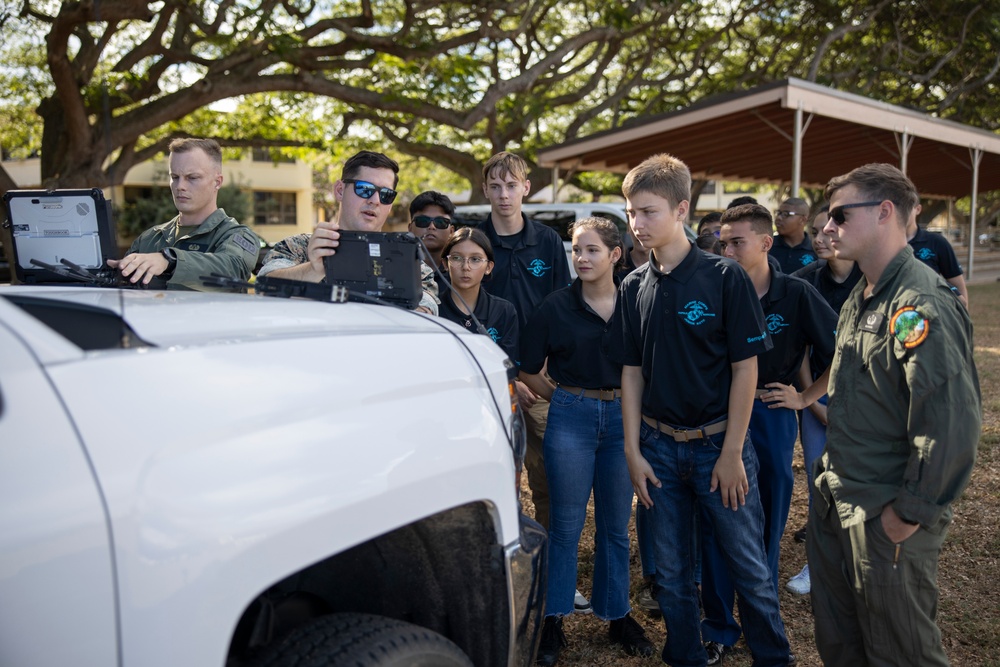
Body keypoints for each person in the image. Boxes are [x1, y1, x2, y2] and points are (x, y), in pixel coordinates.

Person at [611, 153, 792, 667]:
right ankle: (686, 655)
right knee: (671, 574)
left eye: (647, 212)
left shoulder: (723, 277)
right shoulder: (632, 285)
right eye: (630, 213)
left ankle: (773, 659)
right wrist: (632, 450)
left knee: (749, 569)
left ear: (682, 208)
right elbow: (631, 372)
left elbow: (745, 370)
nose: (636, 224)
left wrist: (733, 452)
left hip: (719, 449)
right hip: (657, 449)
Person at [809, 163, 980, 666]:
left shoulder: (918, 303)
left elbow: (950, 422)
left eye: (840, 215)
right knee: (842, 643)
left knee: (901, 649)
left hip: (884, 510)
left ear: (884, 212)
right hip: (841, 499)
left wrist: (909, 513)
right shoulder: (861, 298)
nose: (826, 228)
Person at [701, 204, 837, 663]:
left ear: (766, 242)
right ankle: (719, 626)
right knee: (720, 519)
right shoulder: (713, 287)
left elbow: (844, 349)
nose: (727, 250)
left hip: (771, 411)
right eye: (723, 242)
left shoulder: (795, 293)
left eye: (737, 241)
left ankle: (762, 616)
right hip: (717, 415)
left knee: (768, 521)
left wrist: (805, 397)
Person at [523, 217, 653, 665]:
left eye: (592, 250)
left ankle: (617, 615)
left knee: (616, 526)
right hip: (571, 418)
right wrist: (561, 400)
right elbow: (527, 367)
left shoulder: (637, 302)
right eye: (577, 249)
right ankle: (553, 617)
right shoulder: (555, 306)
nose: (581, 258)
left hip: (624, 419)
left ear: (616, 255)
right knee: (564, 525)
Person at [476, 152, 572, 528]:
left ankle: (550, 557)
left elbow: (562, 308)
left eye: (512, 185)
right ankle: (503, 555)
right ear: (485, 189)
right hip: (490, 379)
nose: (504, 194)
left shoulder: (547, 241)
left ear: (526, 189)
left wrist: (541, 368)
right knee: (496, 474)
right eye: (496, 186)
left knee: (548, 475)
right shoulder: (474, 244)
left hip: (540, 375)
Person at [784, 206, 863, 595]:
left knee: (857, 484)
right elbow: (797, 350)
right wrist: (810, 402)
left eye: (830, 230)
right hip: (817, 392)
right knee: (819, 483)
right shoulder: (803, 281)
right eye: (816, 230)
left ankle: (855, 564)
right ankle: (816, 564)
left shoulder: (873, 280)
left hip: (866, 396)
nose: (821, 237)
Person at [258, 150, 438, 314]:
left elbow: (427, 312)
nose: (375, 200)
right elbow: (264, 289)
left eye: (386, 195)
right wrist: (313, 269)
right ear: (339, 190)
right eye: (365, 189)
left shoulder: (412, 262)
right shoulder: (299, 247)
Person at [108, 137, 260, 290]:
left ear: (217, 182)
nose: (180, 186)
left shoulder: (236, 236)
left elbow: (232, 269)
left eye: (192, 177)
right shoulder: (149, 238)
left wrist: (170, 260)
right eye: (174, 177)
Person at [437, 227, 519, 361]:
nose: (465, 267)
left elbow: (509, 368)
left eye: (475, 259)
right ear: (446, 264)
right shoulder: (431, 311)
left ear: (488, 267)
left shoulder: (504, 311)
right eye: (457, 258)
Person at [906, 203, 969, 308]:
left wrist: (964, 320)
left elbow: (958, 285)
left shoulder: (936, 241)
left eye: (906, 207)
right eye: (897, 207)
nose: (902, 212)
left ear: (917, 209)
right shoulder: (884, 243)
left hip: (929, 313)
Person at [408, 190, 455, 274]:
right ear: (410, 228)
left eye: (440, 222)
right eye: (423, 221)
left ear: (451, 231)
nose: (431, 227)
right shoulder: (396, 267)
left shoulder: (461, 271)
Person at [770, 197, 817, 272]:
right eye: (778, 213)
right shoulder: (767, 246)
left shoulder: (816, 249)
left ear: (802, 220)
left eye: (786, 214)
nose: (779, 218)